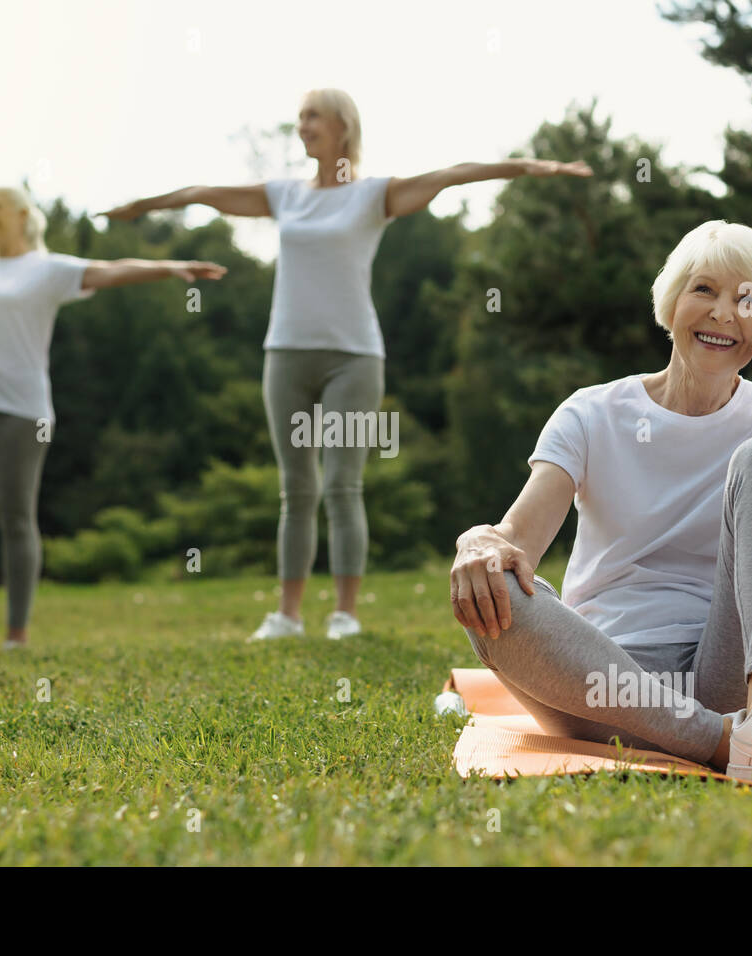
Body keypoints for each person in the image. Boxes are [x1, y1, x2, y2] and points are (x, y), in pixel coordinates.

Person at [102, 88, 592, 641]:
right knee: (296, 488)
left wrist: (532, 166)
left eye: (312, 116)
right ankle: (286, 616)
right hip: (285, 353)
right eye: (300, 117)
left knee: (341, 485)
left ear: (342, 125)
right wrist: (138, 208)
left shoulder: (373, 195)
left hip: (353, 358)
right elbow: (203, 193)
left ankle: (344, 615)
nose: (302, 125)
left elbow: (455, 174)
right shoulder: (285, 195)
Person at [450, 220, 752, 782]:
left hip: (723, 672)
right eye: (704, 290)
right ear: (671, 301)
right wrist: (477, 542)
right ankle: (742, 739)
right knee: (491, 585)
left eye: (746, 299)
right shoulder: (591, 412)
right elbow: (518, 541)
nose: (724, 313)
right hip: (600, 681)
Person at [0, 187, 226, 650]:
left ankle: (17, 634)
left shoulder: (48, 268)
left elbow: (111, 271)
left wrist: (170, 268)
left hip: (23, 406)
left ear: (21, 215)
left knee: (16, 516)